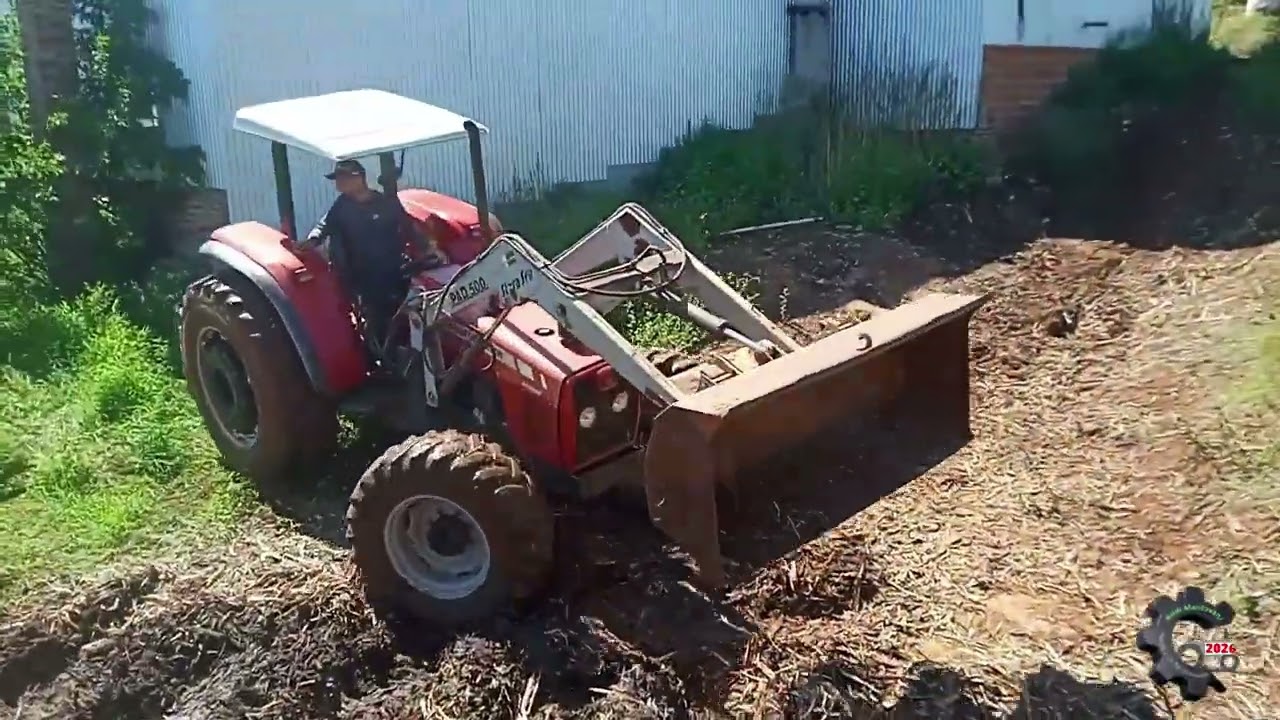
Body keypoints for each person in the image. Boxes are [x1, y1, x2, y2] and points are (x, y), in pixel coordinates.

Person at [297, 159, 447, 365]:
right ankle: (380, 358)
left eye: (341, 178)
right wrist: (312, 240)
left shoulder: (385, 203)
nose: (338, 184)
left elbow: (409, 228)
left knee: (403, 310)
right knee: (376, 316)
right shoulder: (342, 206)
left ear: (359, 178)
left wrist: (429, 249)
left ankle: (407, 355)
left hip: (393, 268)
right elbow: (324, 226)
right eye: (337, 179)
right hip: (361, 274)